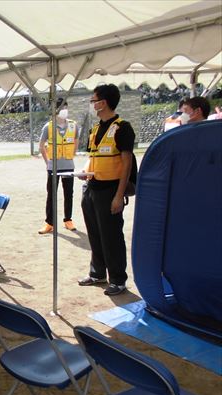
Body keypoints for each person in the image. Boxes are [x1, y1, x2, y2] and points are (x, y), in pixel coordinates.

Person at [79, 84, 135, 296]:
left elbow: (127, 163)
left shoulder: (122, 128)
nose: (92, 104)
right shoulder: (95, 129)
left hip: (110, 190)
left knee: (111, 236)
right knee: (94, 233)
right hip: (91, 187)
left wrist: (119, 196)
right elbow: (92, 156)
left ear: (103, 103)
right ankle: (97, 273)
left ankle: (118, 280)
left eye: (93, 100)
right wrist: (84, 171)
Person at [38, 101, 78, 234]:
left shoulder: (73, 126)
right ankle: (49, 223)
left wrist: (71, 155)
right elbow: (41, 145)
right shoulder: (48, 127)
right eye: (61, 108)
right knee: (51, 194)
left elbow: (76, 142)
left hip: (68, 166)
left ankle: (68, 220)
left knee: (69, 193)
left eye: (66, 107)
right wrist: (47, 162)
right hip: (53, 167)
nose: (64, 110)